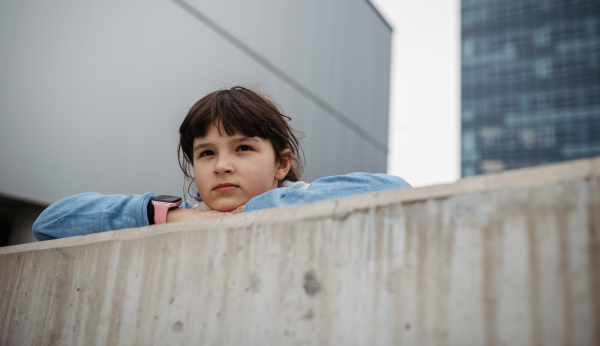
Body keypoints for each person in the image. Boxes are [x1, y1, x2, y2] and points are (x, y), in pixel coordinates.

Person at [32, 87, 411, 241]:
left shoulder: (306, 199)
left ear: (281, 164)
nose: (222, 165)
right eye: (207, 152)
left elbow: (393, 189)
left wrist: (256, 209)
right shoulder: (183, 214)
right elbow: (50, 224)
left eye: (243, 148)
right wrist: (168, 215)